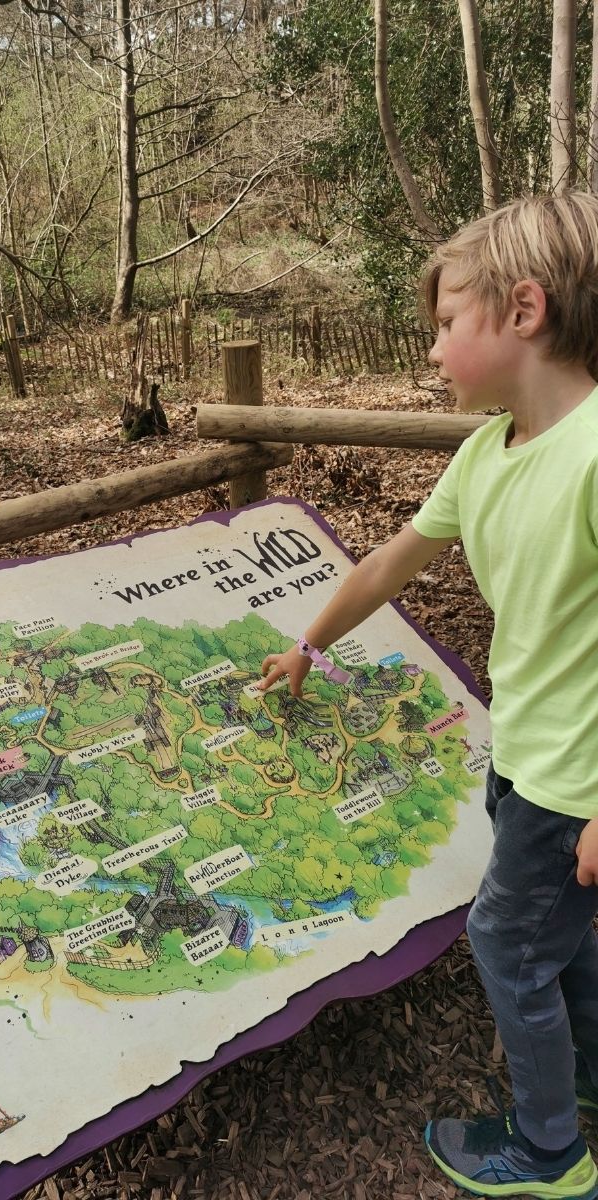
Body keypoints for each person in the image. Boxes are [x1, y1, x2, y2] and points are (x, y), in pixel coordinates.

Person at [258, 191, 598, 1199]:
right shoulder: (482, 455)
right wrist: (307, 648)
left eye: (446, 323)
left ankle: (547, 1154)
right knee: (556, 938)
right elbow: (388, 564)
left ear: (521, 312)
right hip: (524, 755)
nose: (434, 347)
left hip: (571, 780)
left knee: (502, 940)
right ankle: (584, 1077)